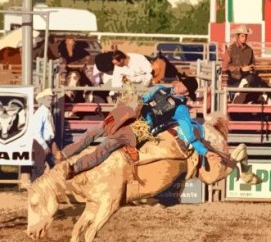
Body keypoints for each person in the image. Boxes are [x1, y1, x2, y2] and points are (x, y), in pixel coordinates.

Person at [62, 76, 214, 179]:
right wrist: (136, 100)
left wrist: (204, 151)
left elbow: (189, 134)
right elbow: (144, 98)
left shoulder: (181, 109)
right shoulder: (160, 88)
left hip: (139, 129)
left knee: (106, 146)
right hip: (128, 117)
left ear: (187, 91)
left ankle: (75, 168)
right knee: (93, 131)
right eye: (181, 82)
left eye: (183, 84)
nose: (179, 84)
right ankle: (64, 154)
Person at [31, 88, 62, 181]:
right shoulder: (41, 113)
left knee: (52, 163)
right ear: (43, 100)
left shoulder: (45, 111)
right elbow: (36, 132)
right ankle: (34, 185)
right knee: (39, 165)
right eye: (48, 99)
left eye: (51, 99)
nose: (50, 101)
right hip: (41, 142)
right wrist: (44, 145)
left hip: (47, 141)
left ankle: (41, 185)